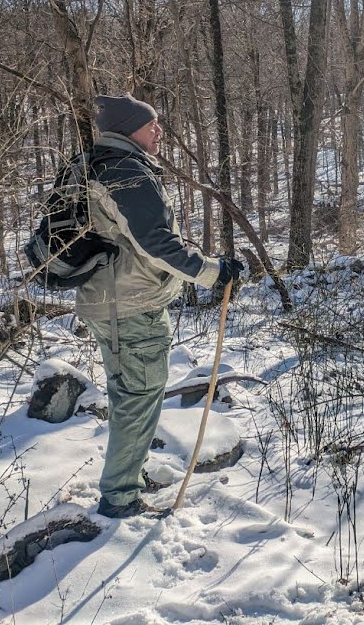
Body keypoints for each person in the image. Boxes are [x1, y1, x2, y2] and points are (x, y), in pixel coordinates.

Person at [76, 94, 244, 519]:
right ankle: (120, 498)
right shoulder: (125, 171)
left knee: (136, 393)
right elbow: (155, 243)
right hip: (127, 306)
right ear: (129, 129)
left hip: (115, 300)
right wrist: (213, 272)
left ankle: (131, 474)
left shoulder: (97, 165)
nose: (159, 131)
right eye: (151, 125)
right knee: (137, 395)